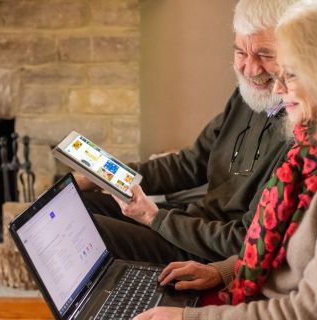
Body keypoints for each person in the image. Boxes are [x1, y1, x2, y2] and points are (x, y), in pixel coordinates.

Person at [135, 0, 317, 318]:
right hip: (248, 291)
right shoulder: (314, 154)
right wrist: (223, 272)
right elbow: (280, 251)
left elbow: (307, 311)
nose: (278, 89)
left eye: (291, 74)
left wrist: (189, 318)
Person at [78, 0, 299, 264]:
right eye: (240, 53)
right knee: (79, 202)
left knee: (86, 229)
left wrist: (153, 217)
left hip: (206, 251)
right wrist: (104, 174)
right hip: (189, 223)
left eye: (265, 54)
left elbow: (244, 241)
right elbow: (190, 164)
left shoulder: (298, 133)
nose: (250, 69)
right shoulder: (247, 97)